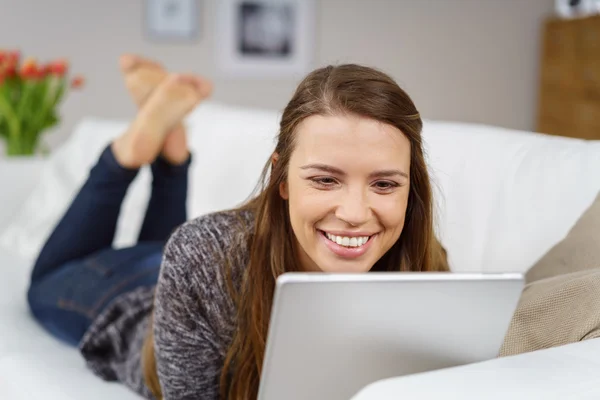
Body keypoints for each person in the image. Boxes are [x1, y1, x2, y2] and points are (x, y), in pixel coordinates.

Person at [26, 55, 450, 400]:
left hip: (184, 265)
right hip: (126, 296)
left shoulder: (423, 259)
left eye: (384, 184)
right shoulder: (201, 257)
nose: (357, 213)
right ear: (281, 178)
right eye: (325, 179)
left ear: (410, 187)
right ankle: (128, 154)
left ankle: (170, 142)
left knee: (168, 246)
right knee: (44, 284)